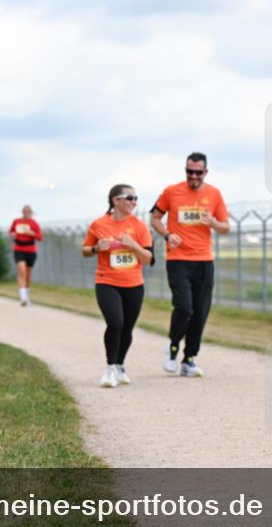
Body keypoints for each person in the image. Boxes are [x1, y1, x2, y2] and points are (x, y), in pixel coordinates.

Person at [149, 152, 230, 377]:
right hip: (178, 259)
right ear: (185, 170)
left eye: (198, 172)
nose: (193, 176)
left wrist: (213, 222)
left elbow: (226, 227)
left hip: (204, 261)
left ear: (205, 172)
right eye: (189, 171)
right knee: (184, 307)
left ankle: (190, 358)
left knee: (200, 312)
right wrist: (166, 235)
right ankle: (173, 347)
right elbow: (154, 218)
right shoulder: (171, 192)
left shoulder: (214, 194)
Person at [82, 184, 153, 388]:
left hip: (134, 284)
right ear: (116, 200)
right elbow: (85, 250)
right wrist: (96, 248)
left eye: (135, 198)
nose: (134, 202)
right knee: (115, 323)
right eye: (129, 198)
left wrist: (134, 246)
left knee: (127, 328)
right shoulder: (99, 224)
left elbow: (148, 258)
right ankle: (110, 367)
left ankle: (121, 364)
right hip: (107, 281)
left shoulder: (139, 226)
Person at [8, 205, 43, 306]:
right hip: (19, 249)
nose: (26, 213)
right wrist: (13, 235)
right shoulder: (16, 221)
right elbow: (11, 233)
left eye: (28, 212)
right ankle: (22, 297)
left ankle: (27, 296)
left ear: (31, 213)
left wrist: (32, 233)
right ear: (22, 212)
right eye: (25, 211)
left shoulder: (33, 223)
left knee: (27, 274)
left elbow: (40, 237)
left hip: (31, 250)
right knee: (21, 272)